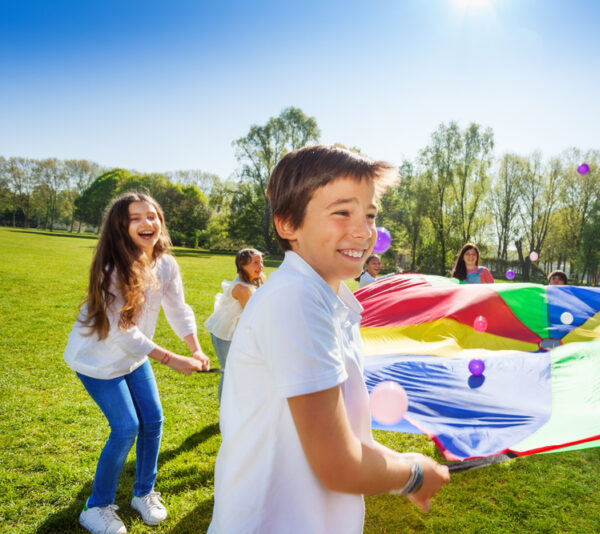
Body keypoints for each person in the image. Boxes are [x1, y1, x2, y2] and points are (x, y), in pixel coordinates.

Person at [209, 145, 449, 533]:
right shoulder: (295, 299)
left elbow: (348, 437)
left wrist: (399, 460)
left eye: (370, 214)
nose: (363, 230)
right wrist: (412, 475)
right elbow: (339, 464)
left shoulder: (326, 298)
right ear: (288, 224)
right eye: (342, 212)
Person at [63, 192, 210, 534]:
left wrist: (196, 348)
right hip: (97, 362)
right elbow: (122, 331)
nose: (148, 223)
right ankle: (96, 507)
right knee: (126, 427)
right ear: (120, 226)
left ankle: (143, 493)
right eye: (136, 218)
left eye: (153, 216)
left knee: (153, 420)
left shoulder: (166, 264)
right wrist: (171, 358)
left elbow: (178, 308)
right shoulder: (111, 268)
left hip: (133, 359)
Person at [204, 248, 265, 398]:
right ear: (243, 265)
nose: (261, 266)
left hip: (236, 331)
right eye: (255, 263)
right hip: (224, 333)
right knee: (228, 371)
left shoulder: (254, 282)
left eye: (261, 262)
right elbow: (251, 316)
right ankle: (224, 412)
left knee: (240, 371)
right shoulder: (242, 288)